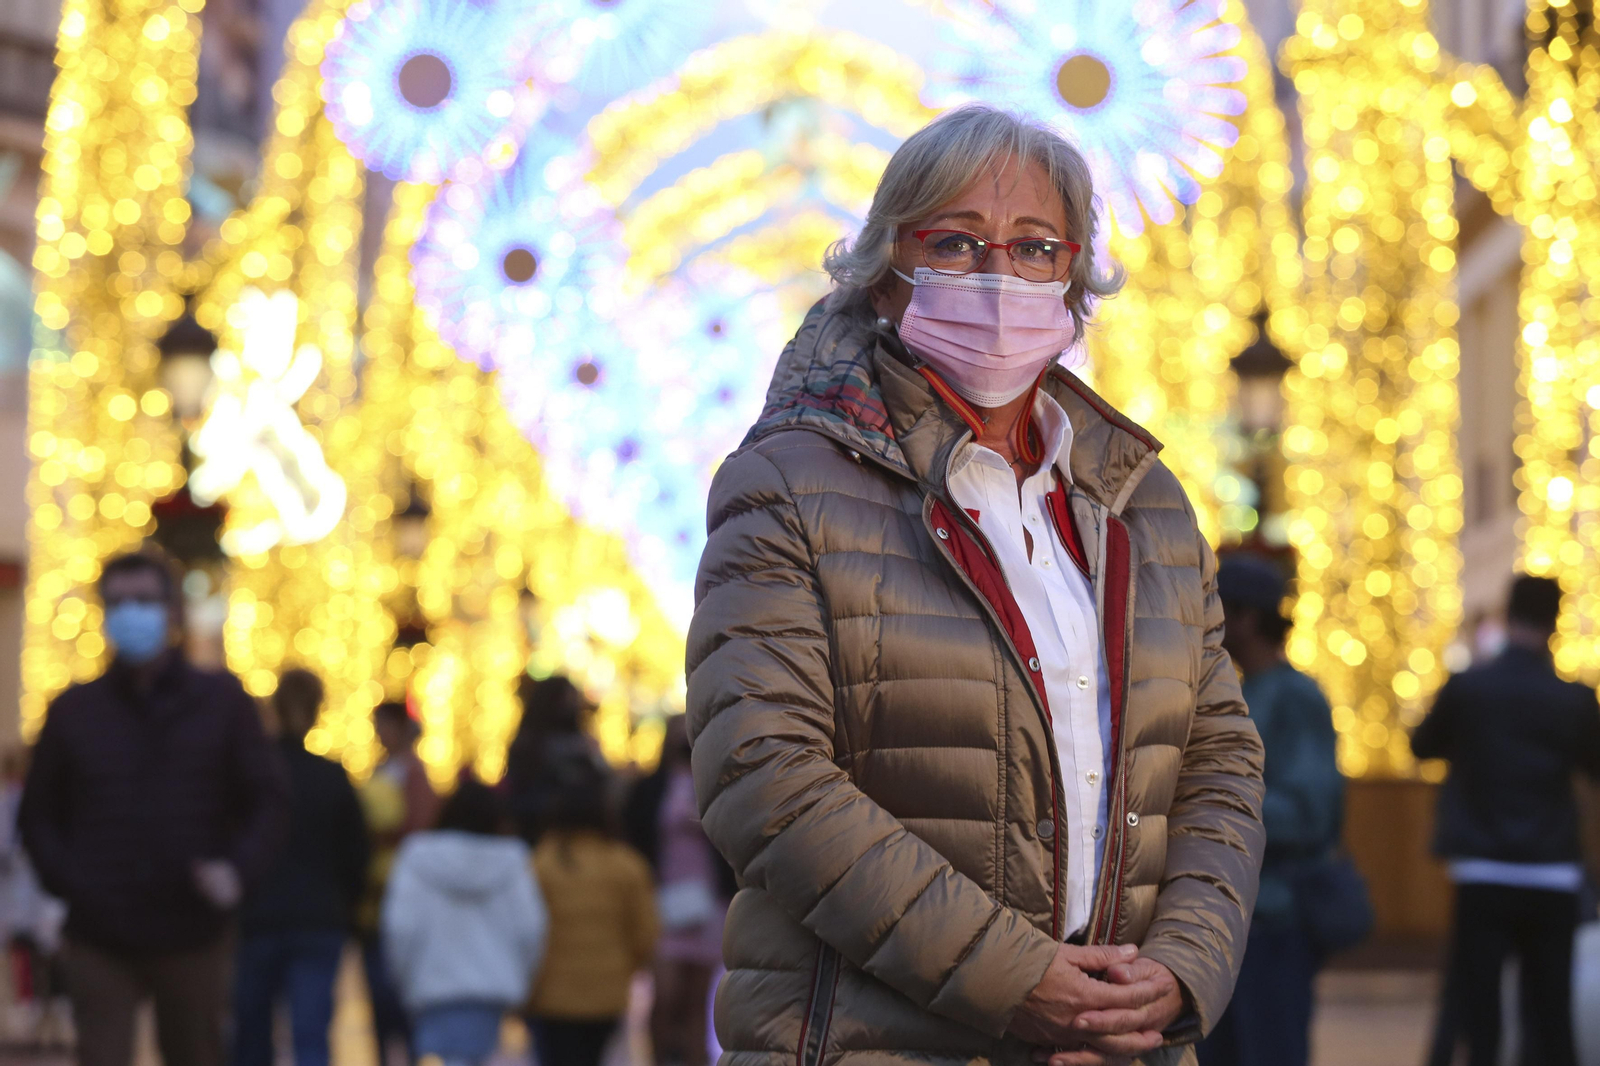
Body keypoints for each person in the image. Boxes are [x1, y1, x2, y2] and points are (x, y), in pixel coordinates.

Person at [687, 104, 1266, 1066]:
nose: (1000, 274)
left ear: (1074, 281)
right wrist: (1018, 982)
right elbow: (766, 780)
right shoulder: (788, 484)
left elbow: (1214, 759)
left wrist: (1179, 967)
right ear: (885, 276)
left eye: (1035, 247)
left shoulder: (1143, 504)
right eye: (955, 243)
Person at [18, 549, 288, 1066]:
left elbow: (267, 800)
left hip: (192, 928)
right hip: (99, 929)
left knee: (196, 1051)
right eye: (118, 603)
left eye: (143, 600)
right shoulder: (75, 711)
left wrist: (236, 869)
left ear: (171, 611)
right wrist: (68, 878)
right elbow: (39, 814)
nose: (131, 613)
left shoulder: (222, 702)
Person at [1411, 574, 1600, 1066]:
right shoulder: (1574, 700)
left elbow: (1422, 745)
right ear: (1554, 622)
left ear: (1506, 614)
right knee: (1551, 1014)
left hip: (1483, 868)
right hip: (1552, 871)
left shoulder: (1471, 689)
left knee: (1482, 1015)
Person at [1196, 556, 1343, 1066]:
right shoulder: (1234, 690)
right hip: (1224, 920)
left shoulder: (1296, 697)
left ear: (1247, 618)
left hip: (1273, 921)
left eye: (1217, 608)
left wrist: (1205, 810)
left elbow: (1307, 813)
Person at [232, 669, 371, 1066]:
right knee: (311, 1039)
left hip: (259, 919)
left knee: (251, 1037)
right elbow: (355, 853)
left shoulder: (254, 775)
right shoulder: (329, 777)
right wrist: (346, 907)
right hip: (317, 920)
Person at [382, 777, 548, 1066]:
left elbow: (401, 927)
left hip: (430, 988)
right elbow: (530, 929)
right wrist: (521, 979)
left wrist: (405, 978)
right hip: (490, 993)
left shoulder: (417, 857)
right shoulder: (512, 861)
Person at [526, 753, 659, 1066]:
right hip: (607, 994)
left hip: (550, 997)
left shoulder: (541, 865)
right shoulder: (626, 866)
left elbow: (524, 931)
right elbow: (646, 934)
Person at [622, 716, 734, 1066]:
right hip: (664, 900)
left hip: (710, 901)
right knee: (666, 994)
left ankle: (695, 1058)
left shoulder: (717, 784)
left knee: (699, 998)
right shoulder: (650, 789)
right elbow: (635, 836)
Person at [358, 701, 440, 1065]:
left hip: (401, 895)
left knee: (399, 995)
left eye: (383, 725)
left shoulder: (413, 774)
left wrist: (381, 836)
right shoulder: (381, 770)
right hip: (375, 900)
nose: (379, 733)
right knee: (379, 998)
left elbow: (419, 829)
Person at [505, 674, 605, 844]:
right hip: (535, 829)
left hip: (580, 833)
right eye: (566, 698)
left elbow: (599, 782)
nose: (572, 705)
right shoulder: (528, 744)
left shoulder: (585, 744)